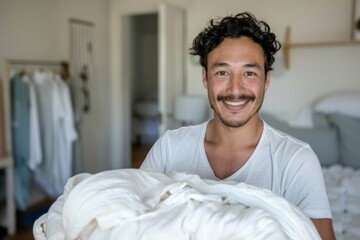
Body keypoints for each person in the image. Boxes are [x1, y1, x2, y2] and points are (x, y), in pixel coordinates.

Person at [140, 12, 335, 239]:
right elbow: (134, 219)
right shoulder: (169, 147)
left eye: (249, 73)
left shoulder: (296, 161)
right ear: (205, 77)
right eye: (222, 72)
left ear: (266, 80)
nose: (235, 89)